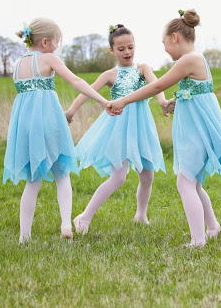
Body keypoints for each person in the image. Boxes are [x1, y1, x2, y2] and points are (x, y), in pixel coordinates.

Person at [108, 9, 221, 247]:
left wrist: (123, 100)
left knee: (185, 182)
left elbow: (157, 86)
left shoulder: (188, 60)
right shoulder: (196, 58)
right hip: (197, 130)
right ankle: (213, 227)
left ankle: (198, 240)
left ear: (175, 37)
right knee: (193, 182)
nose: (165, 49)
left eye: (164, 44)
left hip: (198, 132)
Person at [4, 17, 114, 243]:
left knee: (32, 182)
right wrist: (103, 101)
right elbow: (76, 81)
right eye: (56, 42)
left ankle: (24, 236)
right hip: (49, 121)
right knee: (62, 174)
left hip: (25, 126)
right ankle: (66, 224)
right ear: (45, 42)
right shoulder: (49, 58)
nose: (57, 47)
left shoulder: (18, 64)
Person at [65, 25, 175, 233]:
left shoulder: (143, 69)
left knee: (147, 176)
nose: (127, 52)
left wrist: (162, 102)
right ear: (112, 50)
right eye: (121, 49)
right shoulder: (110, 74)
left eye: (130, 47)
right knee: (118, 177)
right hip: (119, 128)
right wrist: (71, 111)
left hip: (141, 128)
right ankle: (84, 217)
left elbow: (157, 85)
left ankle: (141, 215)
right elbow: (86, 91)